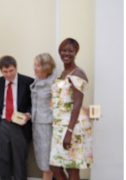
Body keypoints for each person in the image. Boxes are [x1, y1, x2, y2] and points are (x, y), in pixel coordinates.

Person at [49, 38, 93, 180]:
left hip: (72, 127)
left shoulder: (77, 73)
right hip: (59, 126)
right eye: (63, 50)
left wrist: (69, 132)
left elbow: (77, 103)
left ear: (76, 52)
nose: (66, 53)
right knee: (55, 166)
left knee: (72, 167)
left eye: (70, 50)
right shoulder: (63, 73)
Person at [0, 55, 34, 180]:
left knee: (19, 159)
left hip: (20, 125)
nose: (9, 74)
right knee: (3, 159)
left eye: (11, 71)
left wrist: (28, 114)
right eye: (5, 72)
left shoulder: (28, 82)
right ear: (1, 71)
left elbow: (34, 103)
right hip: (3, 124)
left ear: (16, 68)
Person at [30, 53, 57, 180]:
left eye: (38, 65)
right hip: (36, 123)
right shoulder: (37, 80)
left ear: (46, 67)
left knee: (46, 160)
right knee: (41, 157)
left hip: (47, 124)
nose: (35, 68)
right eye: (35, 65)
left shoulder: (54, 83)